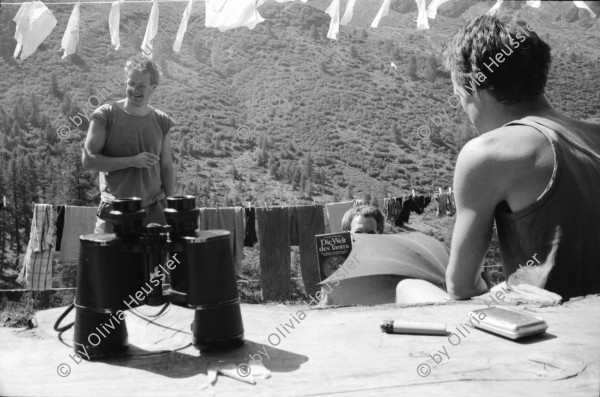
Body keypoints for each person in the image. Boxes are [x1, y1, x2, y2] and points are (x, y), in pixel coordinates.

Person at [441, 15, 600, 300]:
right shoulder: (594, 134)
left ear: (475, 86)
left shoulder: (486, 154)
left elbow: (461, 287)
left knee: (407, 288)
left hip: (548, 331)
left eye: (459, 96)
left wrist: (503, 290)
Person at [82, 54, 176, 233]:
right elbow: (89, 161)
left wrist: (172, 207)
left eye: (141, 85)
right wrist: (132, 161)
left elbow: (167, 167)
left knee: (156, 262)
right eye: (131, 83)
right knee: (109, 261)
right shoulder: (105, 115)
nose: (134, 89)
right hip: (115, 211)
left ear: (153, 88)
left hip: (155, 211)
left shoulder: (162, 121)